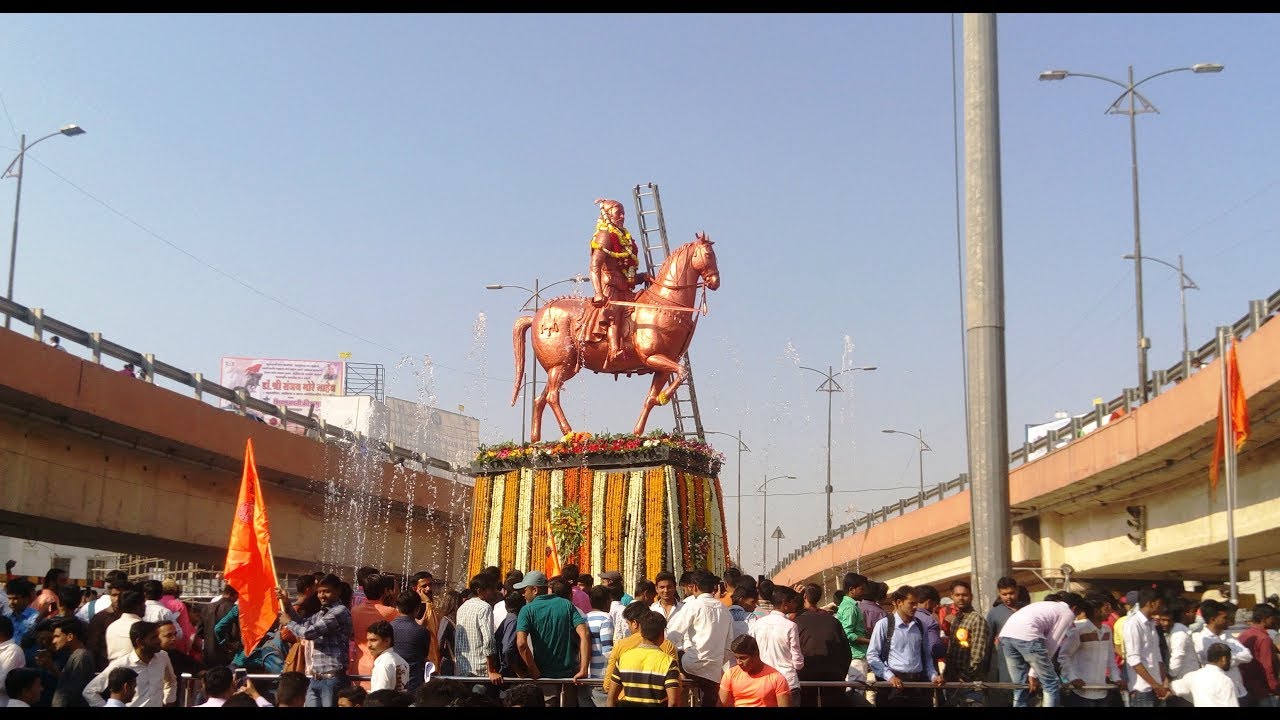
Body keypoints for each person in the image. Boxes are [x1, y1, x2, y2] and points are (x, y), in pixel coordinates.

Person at [586, 199, 650, 362]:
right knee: (615, 313)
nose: (622, 217)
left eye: (623, 213)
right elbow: (594, 267)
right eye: (618, 213)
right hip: (610, 286)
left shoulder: (625, 239)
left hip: (624, 286)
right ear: (607, 215)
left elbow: (626, 270)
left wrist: (641, 277)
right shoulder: (604, 236)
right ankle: (614, 350)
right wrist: (598, 293)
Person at [513, 570, 589, 707]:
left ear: (535, 590)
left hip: (544, 680)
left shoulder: (527, 610)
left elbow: (521, 644)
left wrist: (534, 671)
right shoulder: (566, 604)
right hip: (569, 679)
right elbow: (584, 634)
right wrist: (583, 669)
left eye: (525, 590)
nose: (523, 594)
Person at [277, 573, 352, 707]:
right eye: (319, 592)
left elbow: (309, 633)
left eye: (327, 591)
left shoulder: (340, 611)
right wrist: (287, 603)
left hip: (332, 680)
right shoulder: (323, 612)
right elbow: (304, 623)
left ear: (338, 591)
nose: (322, 596)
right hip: (316, 678)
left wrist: (288, 623)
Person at [665, 570, 736, 707]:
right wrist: (716, 661)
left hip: (692, 665)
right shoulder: (725, 609)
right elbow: (729, 645)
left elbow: (674, 634)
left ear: (695, 587)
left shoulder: (693, 605)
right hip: (714, 669)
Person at [998, 593, 1082, 708]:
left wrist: (1034, 672)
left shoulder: (1049, 605)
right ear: (1075, 608)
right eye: (1077, 614)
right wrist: (1034, 673)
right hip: (1027, 635)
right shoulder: (1067, 613)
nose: (1075, 618)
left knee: (1020, 684)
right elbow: (1052, 644)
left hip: (1006, 635)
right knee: (1051, 683)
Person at [867, 585, 944, 707]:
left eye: (916, 603)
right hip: (893, 689)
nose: (915, 607)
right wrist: (890, 676)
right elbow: (872, 655)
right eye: (911, 603)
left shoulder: (921, 626)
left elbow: (926, 656)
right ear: (899, 602)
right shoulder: (884, 625)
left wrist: (933, 675)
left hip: (918, 687)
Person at [82, 621, 176, 707]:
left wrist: (169, 701)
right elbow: (90, 691)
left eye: (158, 636)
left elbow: (171, 681)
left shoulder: (163, 657)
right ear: (139, 642)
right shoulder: (122, 665)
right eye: (153, 638)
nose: (158, 641)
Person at [602, 602, 677, 700]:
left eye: (628, 624)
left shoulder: (621, 645)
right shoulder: (667, 645)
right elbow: (675, 685)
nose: (628, 628)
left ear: (634, 623)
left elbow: (608, 685)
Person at [795, 583, 853, 707]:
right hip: (833, 680)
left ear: (804, 596)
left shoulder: (796, 622)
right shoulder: (834, 621)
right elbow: (846, 652)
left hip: (805, 680)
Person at [1192, 598, 1252, 702]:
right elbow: (1216, 665)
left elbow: (1247, 656)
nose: (1227, 620)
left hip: (1239, 692)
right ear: (1213, 619)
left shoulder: (1227, 636)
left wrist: (1228, 658)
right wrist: (1235, 658)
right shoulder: (1200, 640)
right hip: (1220, 696)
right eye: (1224, 617)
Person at [748, 585, 804, 695]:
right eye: (793, 601)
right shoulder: (791, 626)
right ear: (785, 603)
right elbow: (797, 660)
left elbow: (751, 650)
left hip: (764, 681)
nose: (795, 604)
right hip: (787, 681)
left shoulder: (757, 624)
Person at [942, 580, 990, 706]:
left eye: (964, 595)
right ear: (952, 596)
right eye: (957, 595)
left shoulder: (976, 620)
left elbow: (978, 655)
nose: (961, 598)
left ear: (971, 596)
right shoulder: (957, 619)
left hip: (969, 684)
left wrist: (966, 676)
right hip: (952, 681)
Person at [453, 573, 503, 690]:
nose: (495, 591)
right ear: (480, 591)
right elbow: (489, 640)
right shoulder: (485, 608)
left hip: (462, 669)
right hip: (480, 672)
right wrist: (491, 670)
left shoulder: (462, 607)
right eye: (491, 589)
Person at [717, 634, 792, 707]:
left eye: (743, 658)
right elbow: (722, 704)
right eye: (736, 658)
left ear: (756, 655)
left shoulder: (777, 678)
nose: (739, 662)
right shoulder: (730, 674)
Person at [985, 575, 1022, 706]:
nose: (1008, 597)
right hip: (1004, 668)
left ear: (1017, 591)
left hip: (1027, 666)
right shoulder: (994, 613)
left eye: (1011, 593)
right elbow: (987, 644)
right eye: (1004, 594)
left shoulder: (1027, 610)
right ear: (999, 594)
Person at [1171, 642, 1239, 707]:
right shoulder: (1225, 681)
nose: (1230, 662)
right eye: (1229, 659)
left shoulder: (1193, 676)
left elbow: (1173, 687)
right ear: (1223, 659)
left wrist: (1164, 689)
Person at [47, 616, 95, 707]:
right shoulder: (75, 655)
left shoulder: (81, 656)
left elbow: (74, 692)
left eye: (57, 636)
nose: (53, 641)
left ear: (70, 637)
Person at [1237, 602, 1278, 706]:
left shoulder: (1244, 635)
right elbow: (1268, 667)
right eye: (1272, 618)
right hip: (1263, 690)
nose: (1274, 620)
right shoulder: (1264, 639)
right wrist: (1275, 687)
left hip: (1246, 688)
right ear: (1264, 619)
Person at [835, 572, 871, 690]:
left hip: (853, 656)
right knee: (855, 693)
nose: (864, 592)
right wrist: (869, 641)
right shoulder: (850, 607)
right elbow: (847, 634)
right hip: (856, 657)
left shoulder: (848, 605)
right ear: (852, 590)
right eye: (862, 589)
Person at [389, 590, 430, 692]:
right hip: (413, 683)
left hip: (392, 681)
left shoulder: (388, 627)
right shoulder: (422, 631)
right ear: (417, 609)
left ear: (397, 608)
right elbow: (423, 655)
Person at [580, 584, 614, 706]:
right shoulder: (606, 619)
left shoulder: (584, 618)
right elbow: (607, 650)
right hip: (600, 676)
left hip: (585, 677)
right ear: (606, 601)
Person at [200, 584, 238, 668]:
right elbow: (235, 633)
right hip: (227, 653)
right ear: (234, 594)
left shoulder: (207, 607)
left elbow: (200, 632)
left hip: (208, 652)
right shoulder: (234, 609)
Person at [365, 620, 409, 692]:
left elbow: (379, 698)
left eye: (373, 640)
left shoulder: (383, 665)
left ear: (387, 641)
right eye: (368, 640)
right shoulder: (402, 661)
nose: (369, 645)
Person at [105, 590, 144, 663]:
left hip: (114, 669)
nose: (145, 606)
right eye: (144, 603)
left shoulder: (112, 626)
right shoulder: (143, 627)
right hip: (137, 670)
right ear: (139, 606)